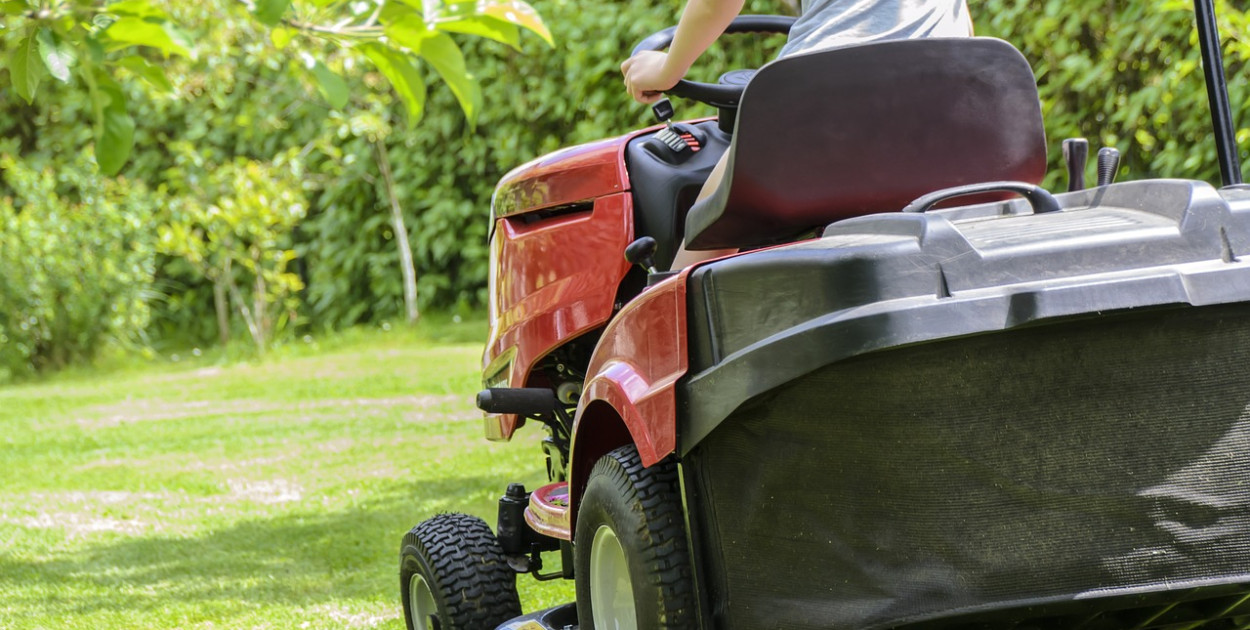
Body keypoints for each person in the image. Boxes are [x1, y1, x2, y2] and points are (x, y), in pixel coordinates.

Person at [621, 0, 973, 269]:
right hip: (955, 102)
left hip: (827, 99)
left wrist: (667, 69)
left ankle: (666, 353)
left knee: (708, 227)